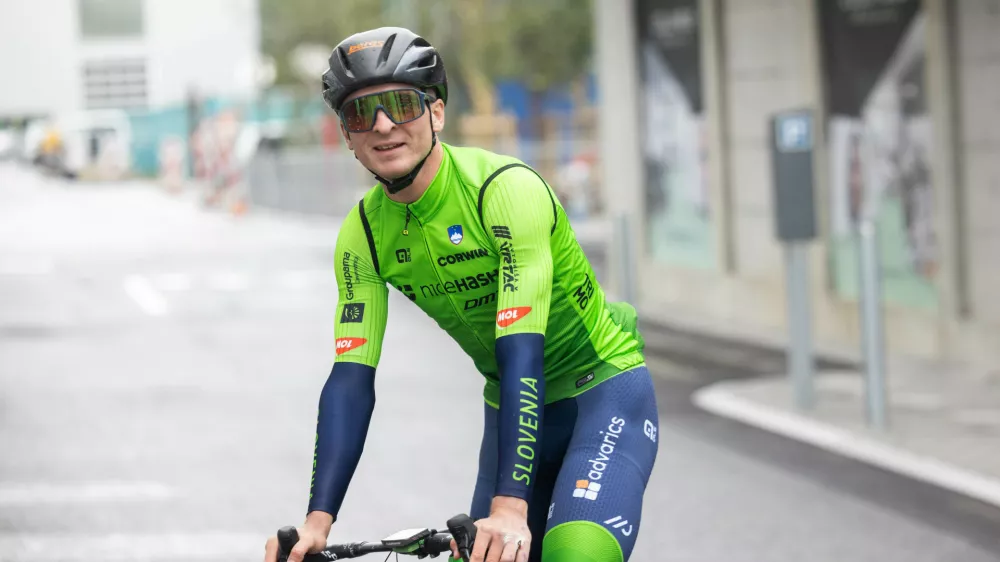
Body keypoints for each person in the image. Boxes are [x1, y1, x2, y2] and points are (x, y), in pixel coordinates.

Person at [263, 27, 659, 562]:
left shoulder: (502, 191)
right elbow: (351, 381)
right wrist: (317, 523)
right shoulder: (364, 236)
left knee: (575, 551)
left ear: (438, 114)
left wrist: (511, 506)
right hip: (510, 409)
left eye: (401, 104)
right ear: (347, 136)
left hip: (602, 391)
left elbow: (522, 348)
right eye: (361, 114)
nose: (383, 126)